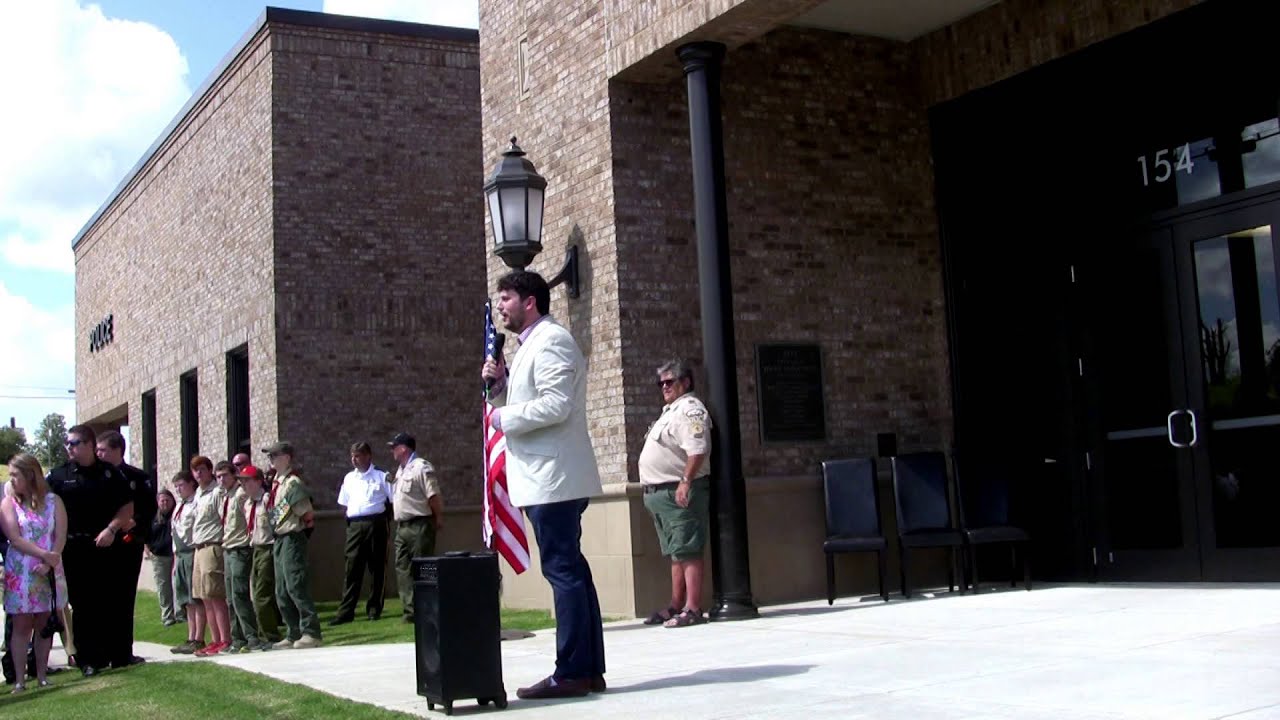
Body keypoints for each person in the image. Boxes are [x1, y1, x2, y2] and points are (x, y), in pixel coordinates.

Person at [481, 270, 605, 699]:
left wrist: (501, 418)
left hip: (554, 479)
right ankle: (588, 670)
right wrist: (500, 389)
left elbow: (556, 404)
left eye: (506, 298)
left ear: (530, 301)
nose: (501, 307)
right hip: (547, 477)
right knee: (572, 569)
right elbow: (529, 400)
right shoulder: (529, 344)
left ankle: (570, 672)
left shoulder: (552, 340)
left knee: (563, 572)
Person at [45, 424, 132, 677]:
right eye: (67, 444)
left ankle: (110, 654)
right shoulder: (59, 476)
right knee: (81, 604)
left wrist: (112, 529)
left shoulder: (109, 474)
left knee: (106, 601)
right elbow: (42, 503)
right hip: (73, 548)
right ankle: (87, 659)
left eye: (74, 443)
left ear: (89, 445)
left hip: (104, 545)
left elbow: (127, 507)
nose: (69, 448)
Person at [638, 360, 713, 628]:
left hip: (678, 490)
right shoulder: (670, 412)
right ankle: (675, 605)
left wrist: (685, 481)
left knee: (688, 549)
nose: (665, 387)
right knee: (676, 551)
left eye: (670, 381)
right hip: (661, 494)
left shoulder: (690, 411)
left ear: (686, 382)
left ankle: (693, 608)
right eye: (661, 383)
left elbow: (697, 449)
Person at [1, 454, 68, 692]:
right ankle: (20, 679)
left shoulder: (53, 501)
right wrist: (43, 554)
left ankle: (41, 674)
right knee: (21, 624)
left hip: (48, 569)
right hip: (21, 572)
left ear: (30, 474)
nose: (12, 480)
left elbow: (59, 536)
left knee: (44, 622)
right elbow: (14, 538)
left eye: (15, 475)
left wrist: (50, 561)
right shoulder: (9, 503)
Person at [95, 430, 155, 667]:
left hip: (127, 545)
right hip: (101, 544)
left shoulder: (137, 477)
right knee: (101, 600)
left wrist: (136, 521)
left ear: (118, 450)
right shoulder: (95, 477)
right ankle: (100, 653)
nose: (98, 454)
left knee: (123, 599)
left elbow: (150, 508)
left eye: (103, 450)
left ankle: (122, 653)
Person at [263, 441, 322, 649]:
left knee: (296, 584)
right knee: (281, 589)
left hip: (292, 537)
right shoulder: (276, 483)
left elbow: (307, 514)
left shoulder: (292, 483)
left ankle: (311, 631)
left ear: (287, 458)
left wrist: (303, 533)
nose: (271, 460)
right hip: (279, 538)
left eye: (274, 456)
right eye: (270, 456)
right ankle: (293, 631)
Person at [333, 442, 393, 625]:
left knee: (377, 568)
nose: (354, 459)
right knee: (352, 568)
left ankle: (374, 609)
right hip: (355, 525)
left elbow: (393, 501)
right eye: (352, 456)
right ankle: (346, 612)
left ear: (368, 456)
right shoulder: (349, 478)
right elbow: (344, 503)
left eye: (358, 455)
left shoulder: (382, 476)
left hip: (376, 523)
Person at [389, 432, 442, 623]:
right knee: (402, 568)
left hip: (420, 524)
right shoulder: (400, 470)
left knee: (423, 567)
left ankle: (427, 609)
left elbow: (433, 496)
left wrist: (438, 518)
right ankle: (410, 610)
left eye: (394, 447)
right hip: (402, 526)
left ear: (404, 448)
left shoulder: (421, 467)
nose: (392, 451)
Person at [189, 457, 231, 657]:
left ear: (209, 471)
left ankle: (224, 639)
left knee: (215, 595)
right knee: (204, 597)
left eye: (202, 470)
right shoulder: (198, 494)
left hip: (212, 545)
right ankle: (214, 640)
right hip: (198, 547)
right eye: (195, 470)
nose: (199, 474)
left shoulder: (216, 492)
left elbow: (224, 517)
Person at [243, 467, 282, 649]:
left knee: (262, 594)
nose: (244, 485)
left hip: (268, 547)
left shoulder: (267, 500)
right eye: (242, 481)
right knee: (255, 593)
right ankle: (262, 633)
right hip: (255, 548)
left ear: (258, 481)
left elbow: (279, 520)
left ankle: (270, 635)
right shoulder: (248, 504)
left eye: (248, 481)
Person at [220, 462, 257, 652]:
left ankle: (251, 636)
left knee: (240, 594)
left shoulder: (241, 494)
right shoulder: (225, 496)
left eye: (225, 475)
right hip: (227, 548)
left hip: (240, 548)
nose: (221, 480)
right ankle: (237, 638)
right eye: (218, 476)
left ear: (234, 475)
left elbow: (252, 516)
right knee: (229, 597)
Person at [169, 470, 205, 655]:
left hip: (192, 552)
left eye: (181, 485)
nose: (178, 490)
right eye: (176, 487)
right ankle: (190, 636)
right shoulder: (179, 506)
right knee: (186, 600)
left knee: (195, 598)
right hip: (180, 555)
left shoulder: (196, 503)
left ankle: (199, 638)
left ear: (192, 484)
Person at [146, 490, 178, 626]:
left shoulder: (177, 514)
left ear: (172, 501)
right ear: (158, 502)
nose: (165, 503)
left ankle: (181, 614)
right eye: (162, 500)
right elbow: (146, 536)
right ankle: (167, 616)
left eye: (167, 500)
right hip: (159, 557)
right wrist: (148, 550)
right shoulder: (153, 516)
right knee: (163, 587)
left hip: (176, 555)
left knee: (177, 585)